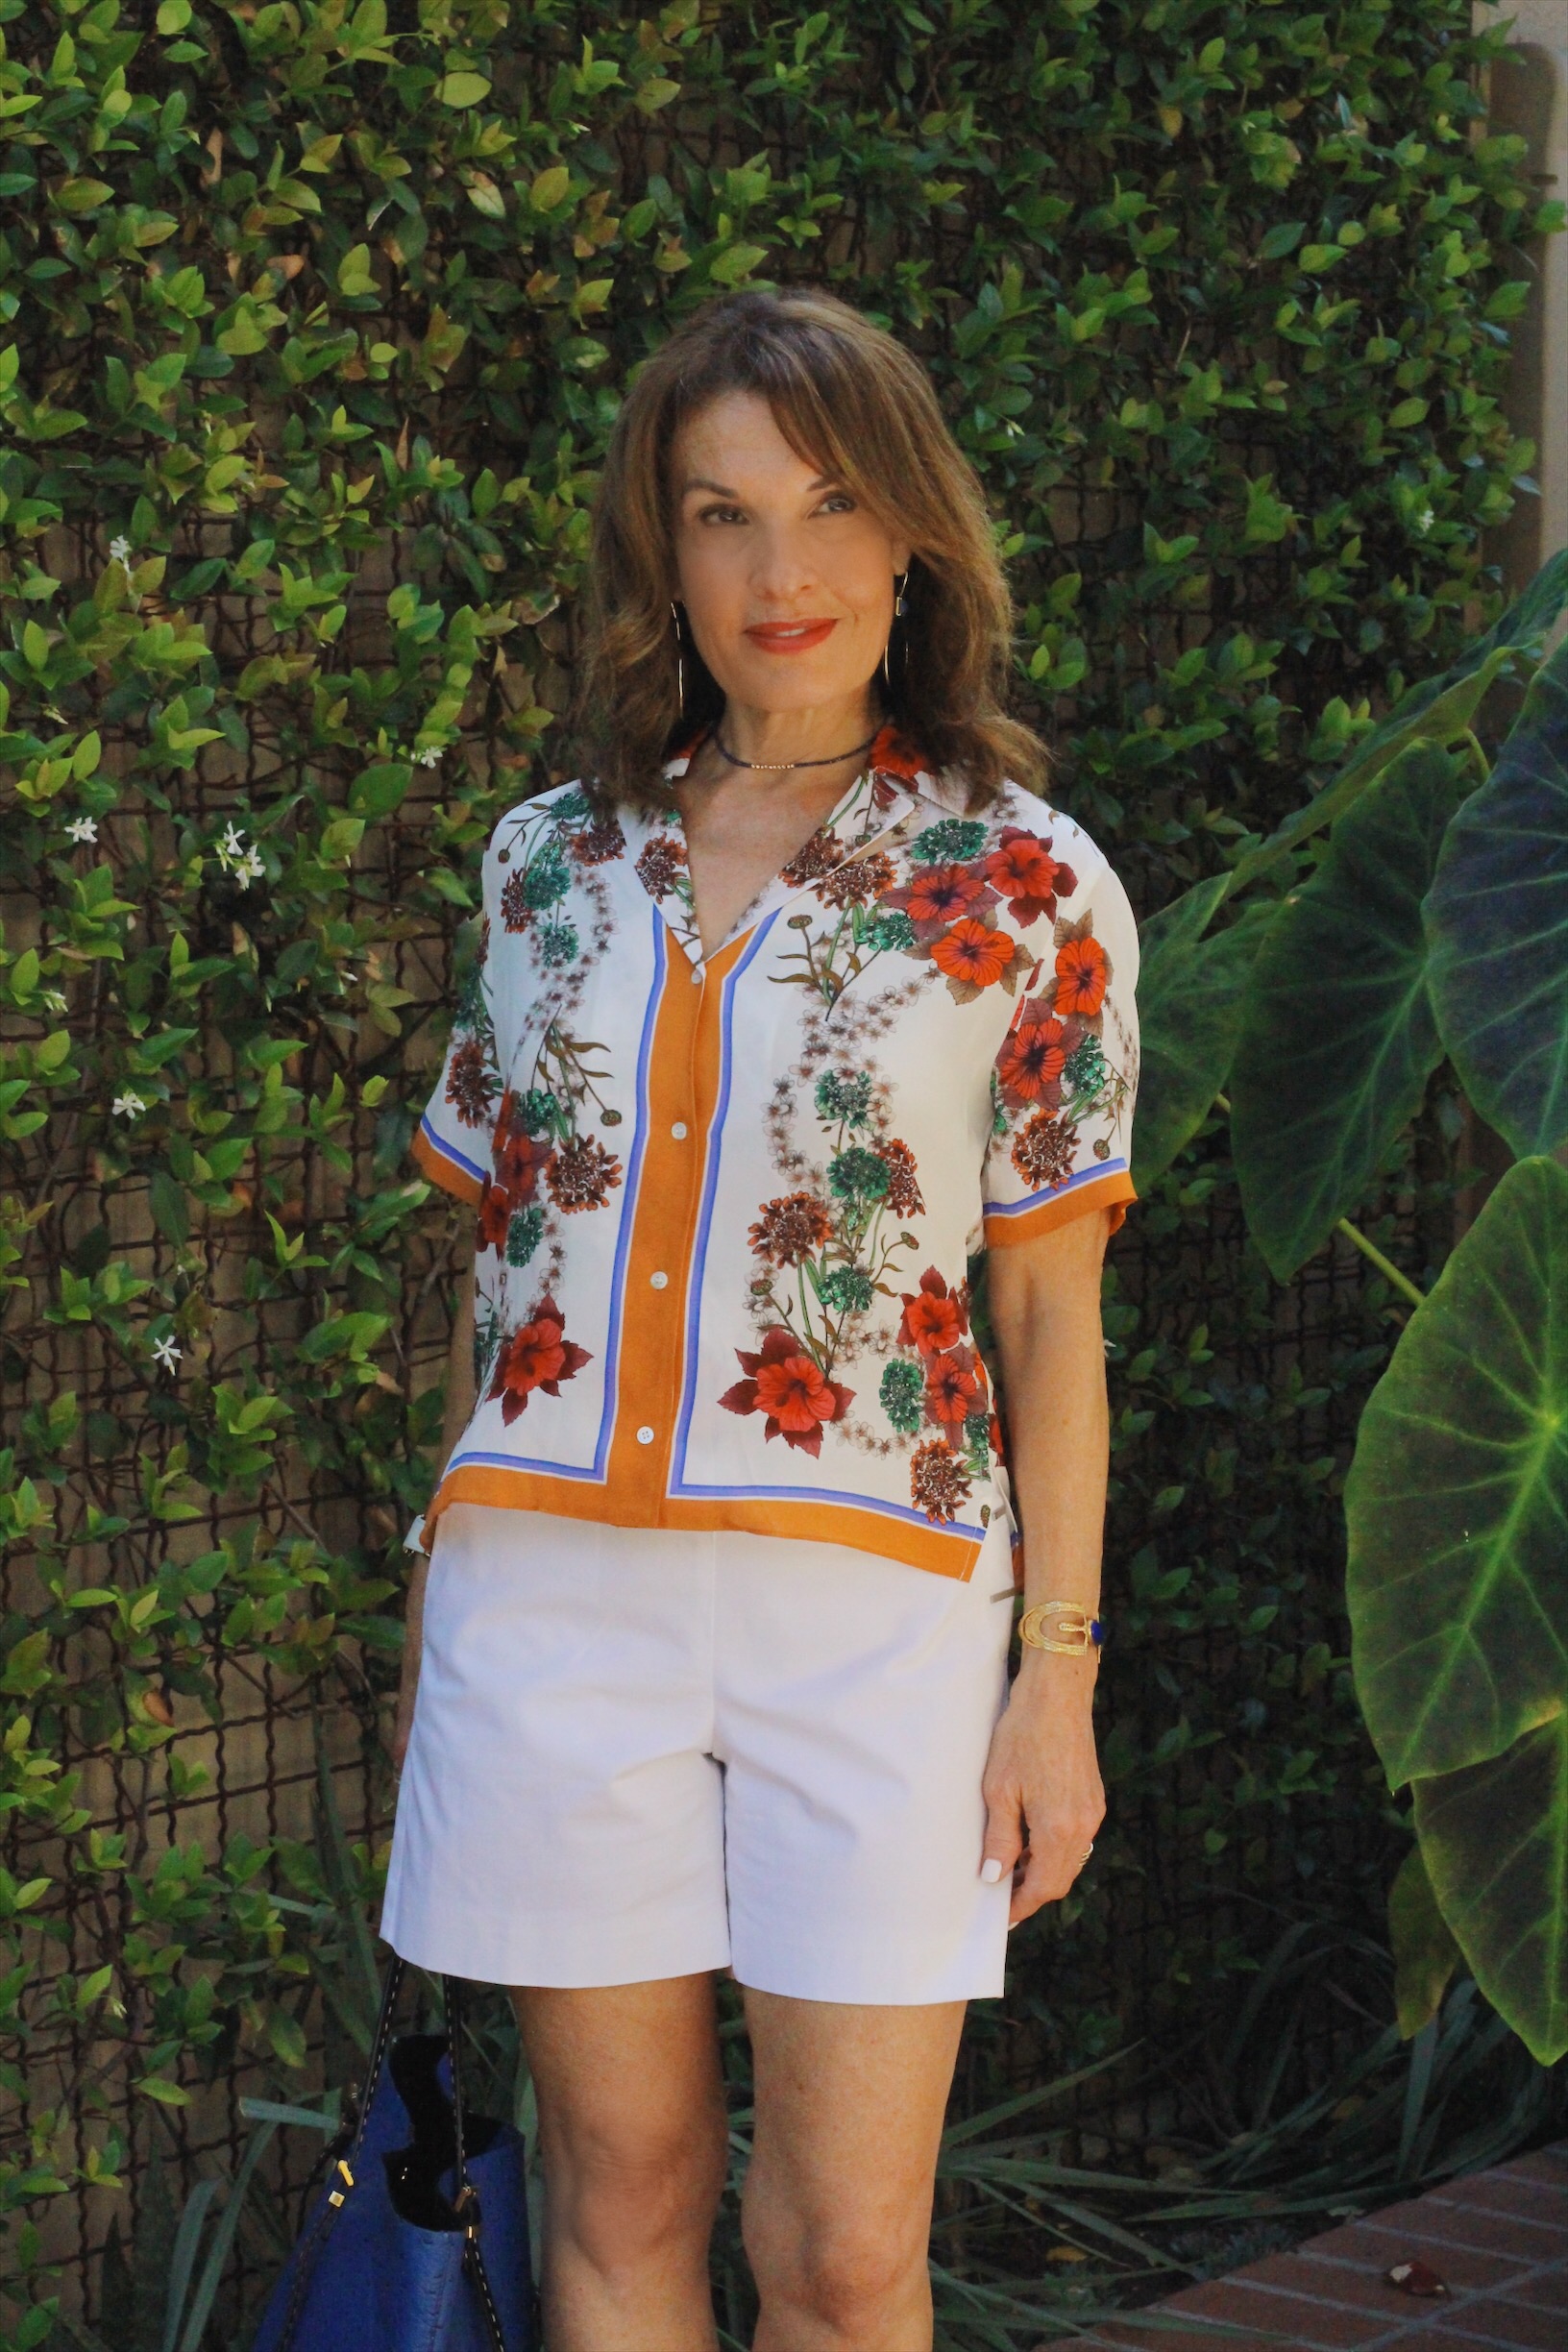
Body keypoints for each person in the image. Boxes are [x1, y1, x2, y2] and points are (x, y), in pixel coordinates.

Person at [381, 287, 1139, 2352]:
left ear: (910, 539)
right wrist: (447, 1582)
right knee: (616, 2208)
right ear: (667, 553)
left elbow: (1050, 1318)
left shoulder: (1023, 882)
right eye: (722, 517)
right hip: (550, 1614)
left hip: (879, 1631)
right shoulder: (545, 867)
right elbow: (494, 1251)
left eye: (825, 507)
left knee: (838, 2257)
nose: (780, 572)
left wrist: (1053, 1680)